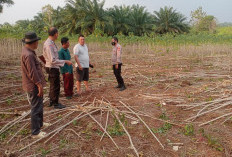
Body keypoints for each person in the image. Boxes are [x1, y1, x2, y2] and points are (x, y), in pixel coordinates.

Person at [21, 32, 49, 138]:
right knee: (36, 107)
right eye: (37, 41)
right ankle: (35, 132)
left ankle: (40, 124)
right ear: (33, 42)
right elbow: (32, 72)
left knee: (39, 105)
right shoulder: (28, 55)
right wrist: (39, 85)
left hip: (34, 85)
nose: (38, 43)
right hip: (33, 86)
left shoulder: (29, 52)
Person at [43, 27, 72, 109]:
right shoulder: (49, 44)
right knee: (55, 85)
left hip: (52, 67)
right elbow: (53, 60)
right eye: (57, 33)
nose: (58, 35)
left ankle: (52, 100)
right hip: (52, 67)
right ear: (55, 33)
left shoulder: (51, 43)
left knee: (53, 85)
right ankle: (55, 103)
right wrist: (65, 61)